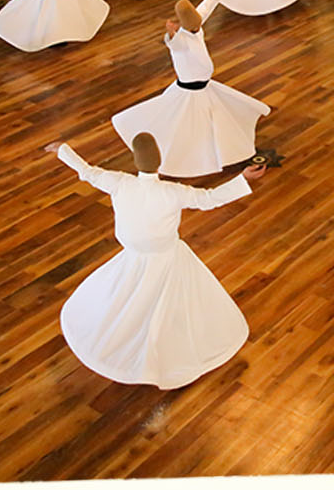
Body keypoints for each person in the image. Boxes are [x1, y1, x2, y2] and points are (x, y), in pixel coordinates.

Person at [44, 134, 268, 389]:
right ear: (159, 162)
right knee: (174, 300)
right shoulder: (171, 192)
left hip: (133, 257)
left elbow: (88, 172)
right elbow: (209, 198)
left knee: (127, 295)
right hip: (166, 258)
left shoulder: (120, 183)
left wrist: (62, 150)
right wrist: (243, 178)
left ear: (135, 160)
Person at [110, 0, 269, 178]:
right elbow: (174, 44)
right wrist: (171, 34)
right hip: (189, 93)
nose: (197, 25)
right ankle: (193, 158)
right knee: (188, 125)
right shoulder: (181, 41)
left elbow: (205, 9)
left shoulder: (196, 28)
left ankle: (225, 151)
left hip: (205, 88)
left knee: (216, 121)